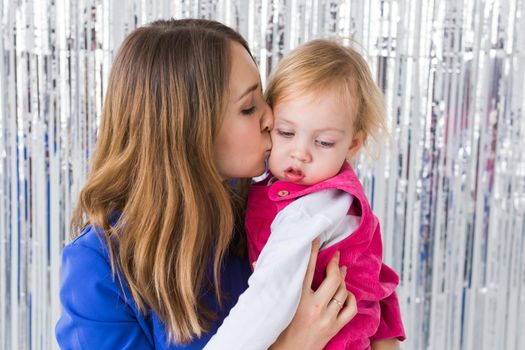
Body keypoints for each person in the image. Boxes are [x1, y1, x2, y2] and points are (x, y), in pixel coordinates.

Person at [55, 19, 358, 350]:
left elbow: (375, 300)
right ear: (188, 130)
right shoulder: (99, 267)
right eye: (247, 107)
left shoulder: (277, 210)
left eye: (264, 98)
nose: (270, 118)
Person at [205, 40, 405, 349]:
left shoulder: (316, 208)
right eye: (286, 133)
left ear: (352, 145)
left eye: (323, 142)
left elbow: (268, 297)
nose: (300, 153)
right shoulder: (279, 191)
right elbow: (381, 280)